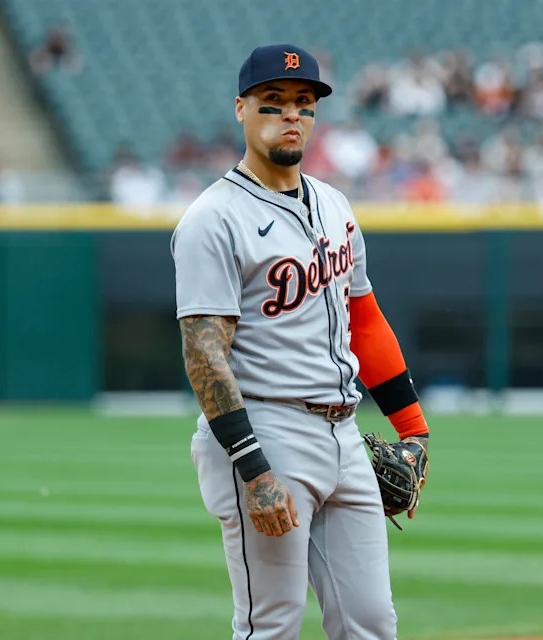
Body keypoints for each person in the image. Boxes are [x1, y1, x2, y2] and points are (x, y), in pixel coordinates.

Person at [171, 44, 430, 640]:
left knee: (372, 623)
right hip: (266, 431)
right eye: (274, 101)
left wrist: (413, 430)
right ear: (241, 108)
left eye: (304, 103)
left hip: (345, 432)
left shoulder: (334, 203)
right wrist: (252, 468)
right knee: (272, 625)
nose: (292, 114)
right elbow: (204, 353)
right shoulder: (214, 219)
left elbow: (364, 319)